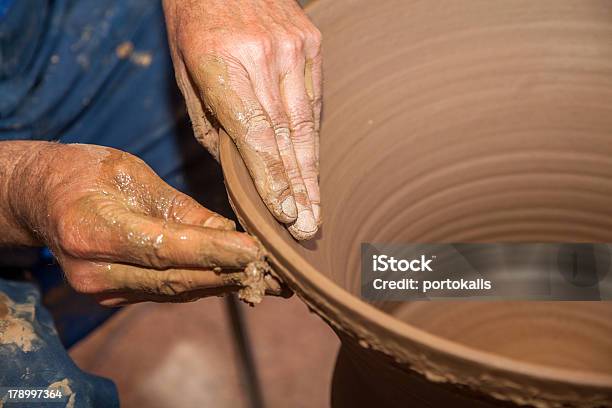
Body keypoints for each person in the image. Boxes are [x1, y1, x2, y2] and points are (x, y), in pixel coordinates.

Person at [0, 0, 321, 406]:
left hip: (38, 28)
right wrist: (20, 184)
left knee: (285, 80)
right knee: (42, 398)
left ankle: (419, 276)